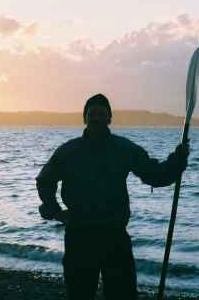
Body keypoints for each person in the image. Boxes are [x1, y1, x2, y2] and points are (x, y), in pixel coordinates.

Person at [36, 94, 189, 300]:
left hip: (115, 235)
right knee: (80, 294)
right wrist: (55, 211)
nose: (97, 118)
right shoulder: (69, 151)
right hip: (79, 235)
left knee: (122, 295)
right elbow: (45, 180)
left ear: (109, 118)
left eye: (101, 114)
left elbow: (155, 175)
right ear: (85, 118)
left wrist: (177, 159)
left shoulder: (123, 148)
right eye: (92, 114)